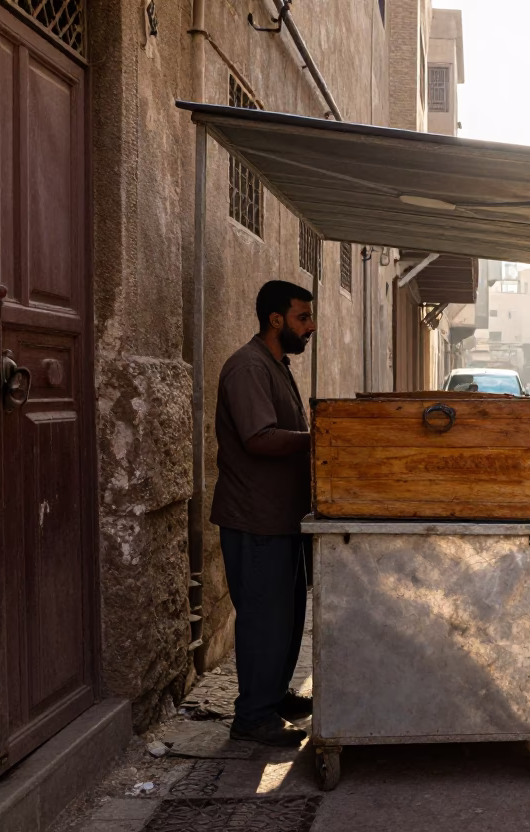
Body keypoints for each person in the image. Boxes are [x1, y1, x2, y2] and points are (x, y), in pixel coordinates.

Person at [211, 280, 318, 747]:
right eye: (302, 317)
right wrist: (319, 439)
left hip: (282, 518)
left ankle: (273, 696)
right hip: (255, 518)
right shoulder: (248, 367)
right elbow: (259, 437)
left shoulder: (277, 364)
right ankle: (253, 715)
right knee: (263, 618)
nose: (309, 326)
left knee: (289, 615)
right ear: (276, 319)